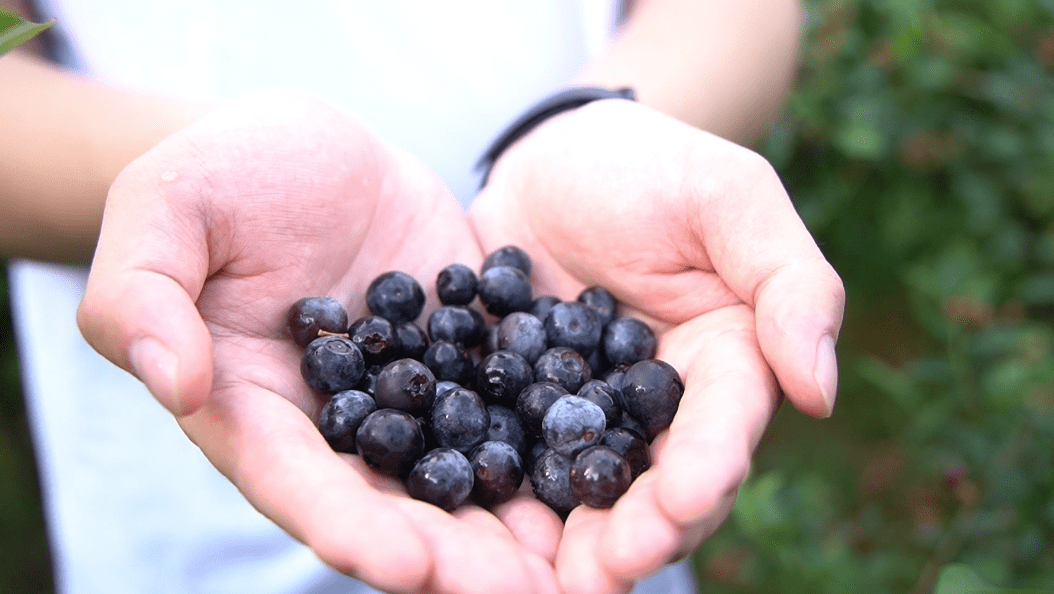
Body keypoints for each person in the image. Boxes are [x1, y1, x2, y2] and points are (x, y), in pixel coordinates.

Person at [0, 1, 844, 593]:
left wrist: (586, 117)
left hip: (603, 561)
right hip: (193, 509)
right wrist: (188, 185)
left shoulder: (537, 391)